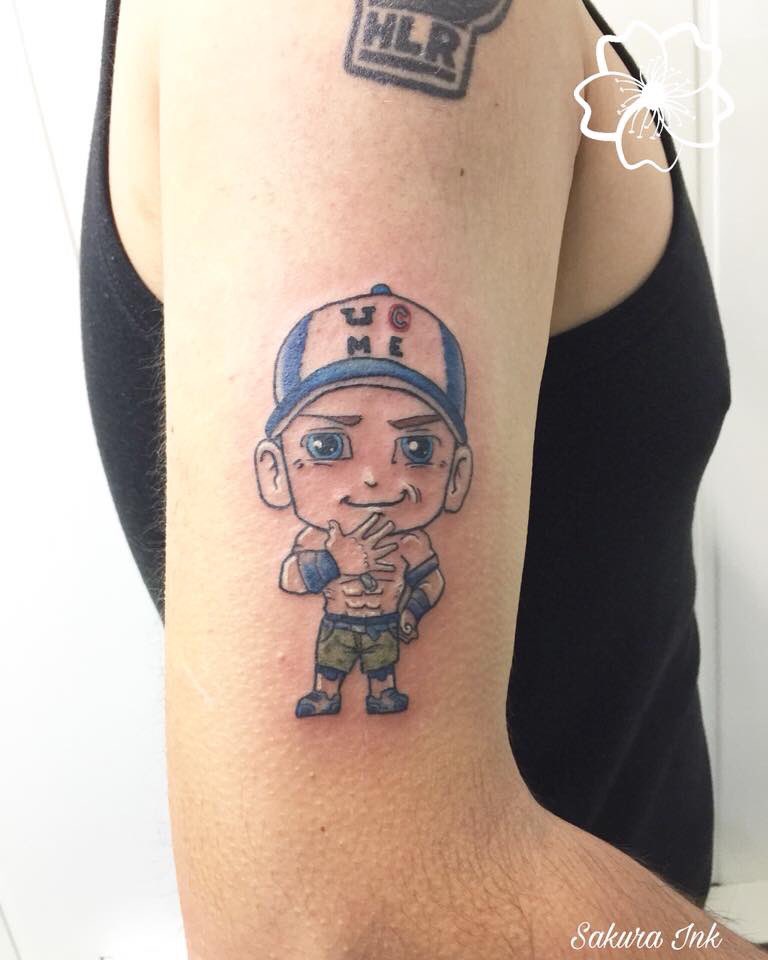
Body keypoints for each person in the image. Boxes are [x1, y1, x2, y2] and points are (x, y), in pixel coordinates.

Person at [81, 0, 760, 955]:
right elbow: (350, 919)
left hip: (611, 895)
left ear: (457, 466)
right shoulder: (323, 35)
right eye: (330, 447)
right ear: (276, 468)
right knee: (336, 669)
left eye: (415, 448)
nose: (377, 479)